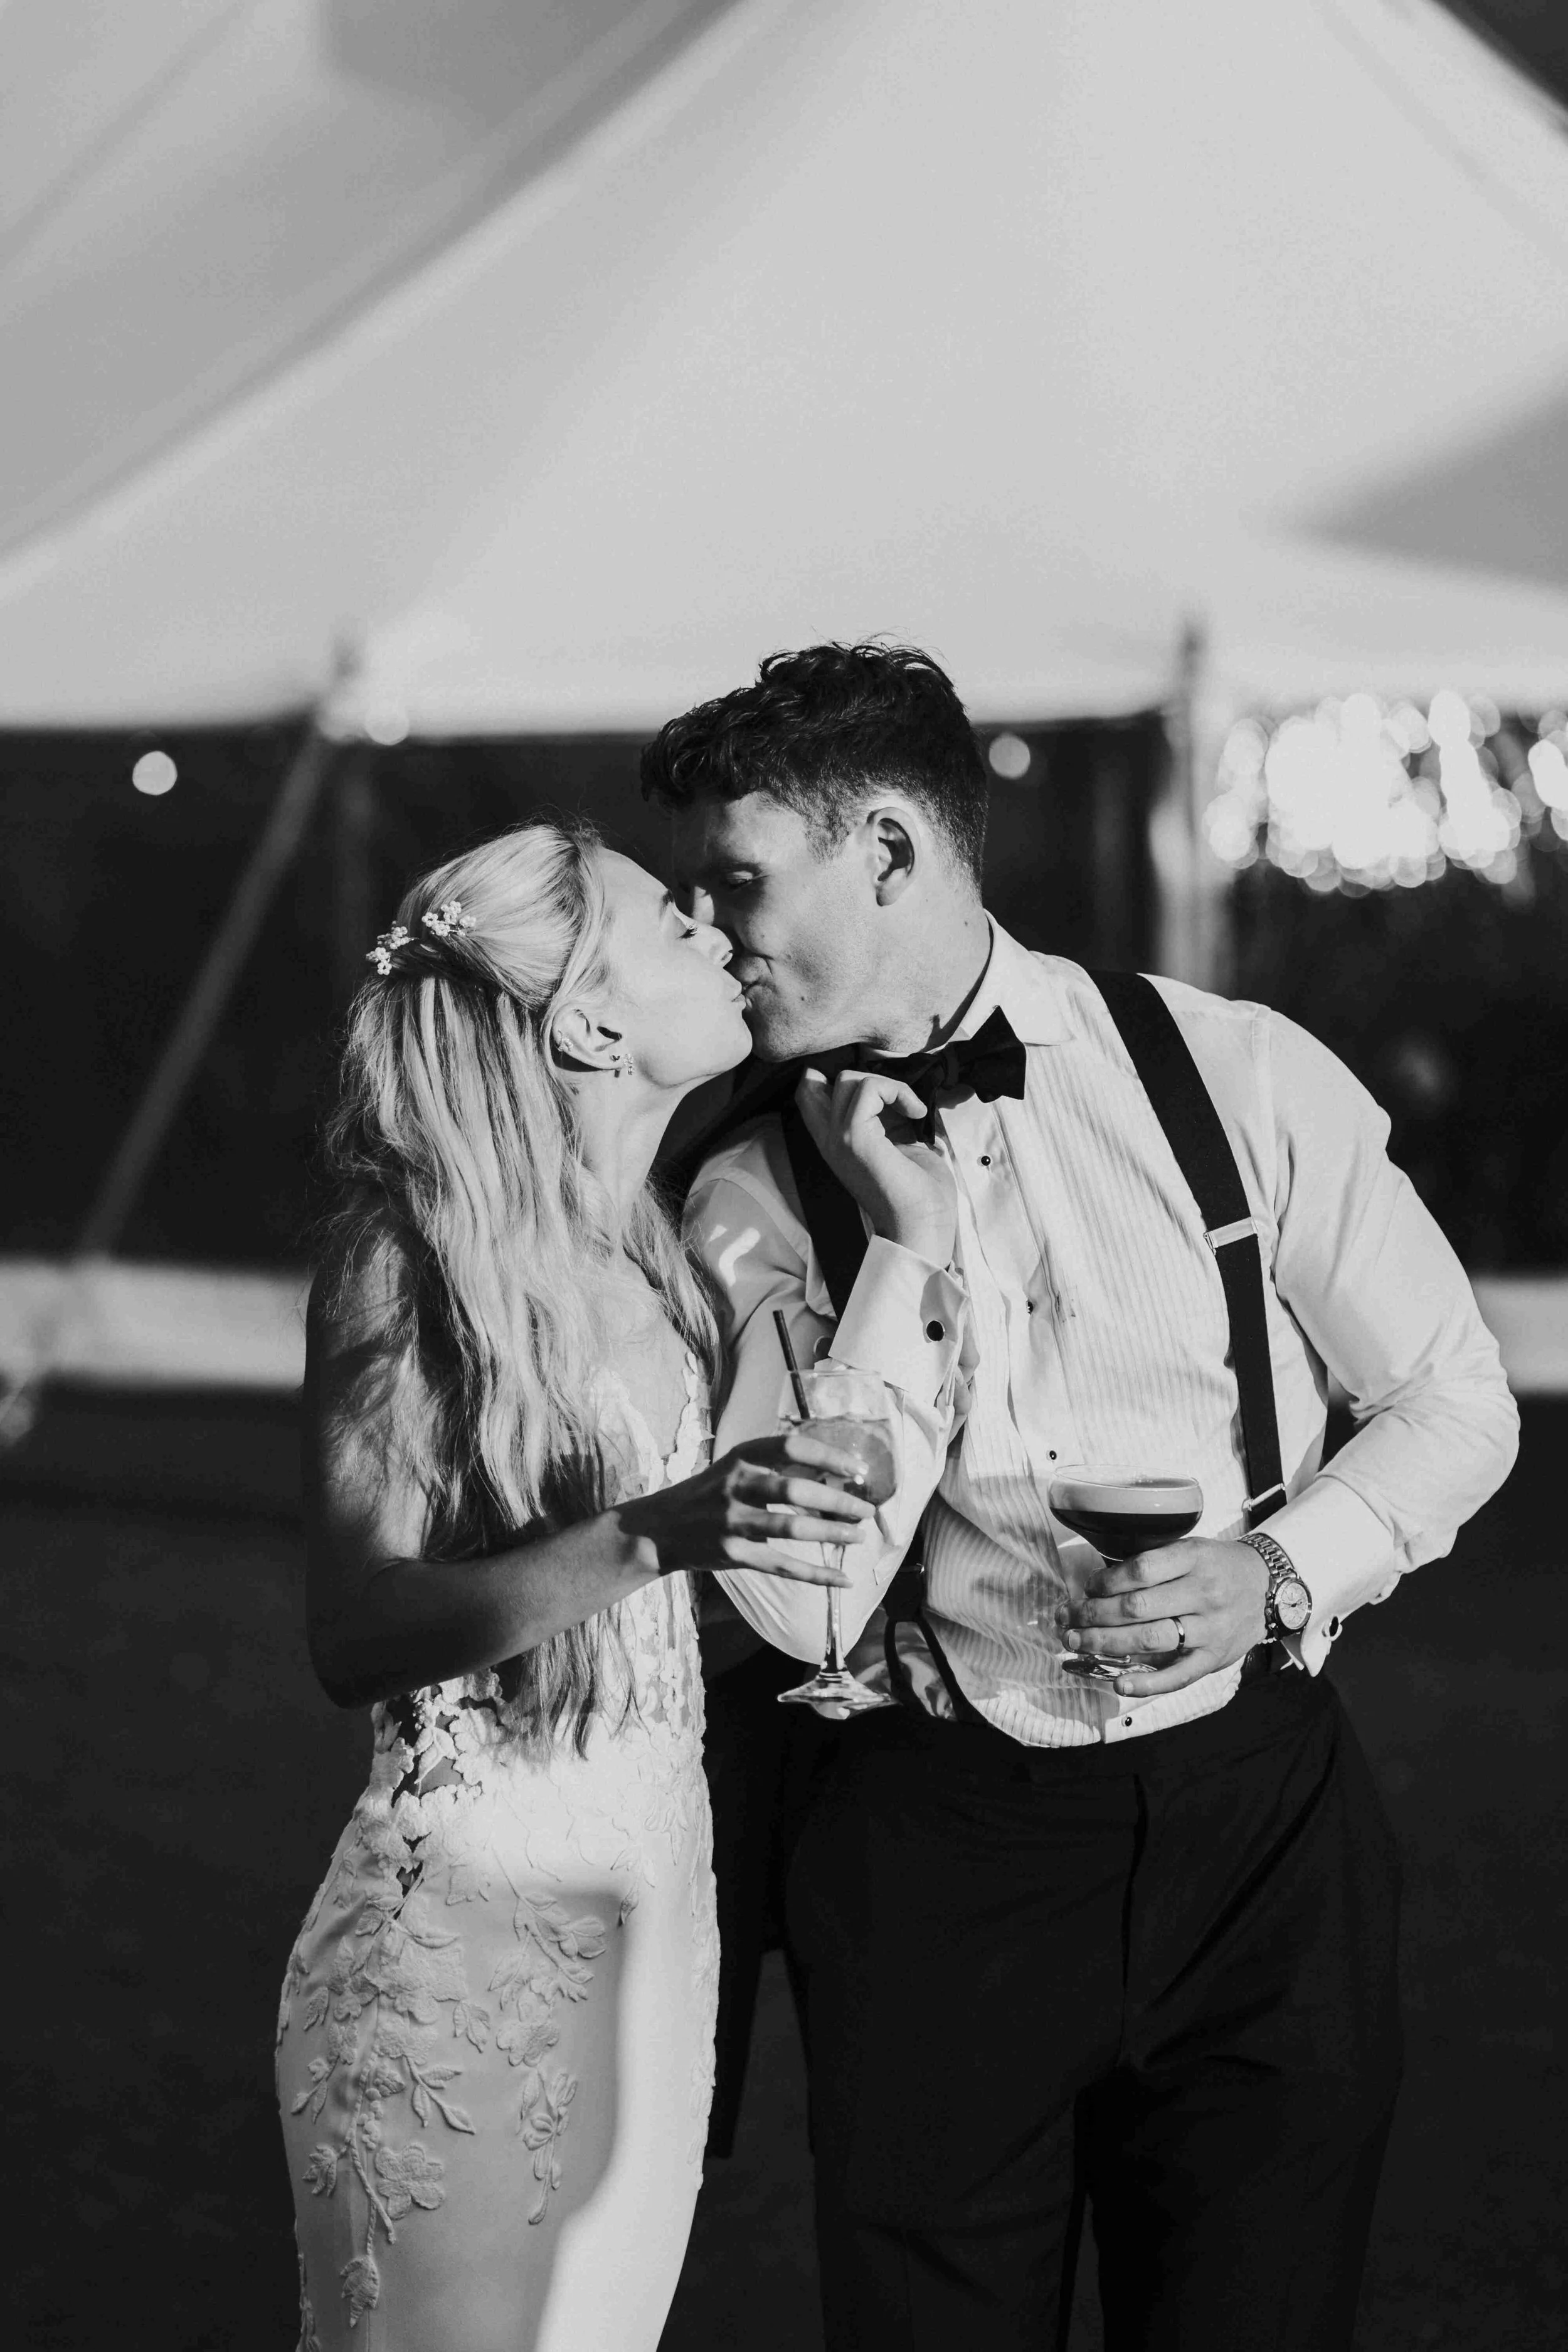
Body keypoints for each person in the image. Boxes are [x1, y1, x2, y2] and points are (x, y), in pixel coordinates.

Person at [646, 642, 1520, 2351]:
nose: (713, 932)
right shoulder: (747, 1186)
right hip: (924, 1856)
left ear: (887, 849)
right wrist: (894, 1252)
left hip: (1258, 1844)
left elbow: (1449, 1397)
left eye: (739, 880)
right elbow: (805, 1603)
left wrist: (1275, 1569)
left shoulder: (1238, 1071)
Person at [276, 818, 877, 2352]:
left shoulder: (667, 1251)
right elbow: (358, 1631)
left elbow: (670, 1619)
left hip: (658, 1916)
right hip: (465, 1946)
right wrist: (661, 1534)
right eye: (668, 921)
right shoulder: (410, 1250)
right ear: (590, 1024)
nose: (711, 924)